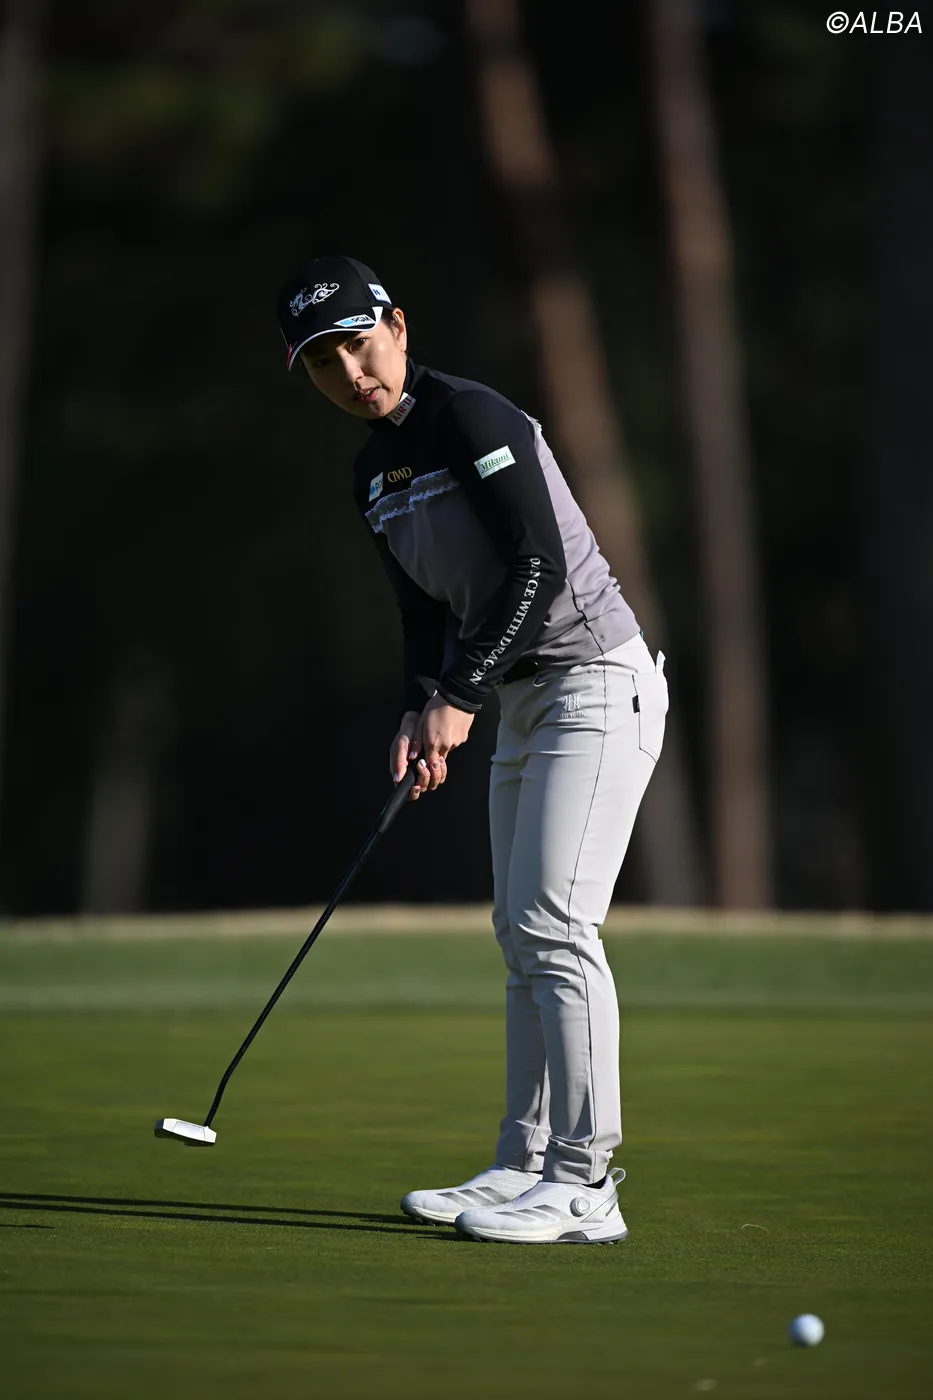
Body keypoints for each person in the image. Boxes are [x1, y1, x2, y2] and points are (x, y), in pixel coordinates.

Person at [276, 255, 668, 1245]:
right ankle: (521, 1163)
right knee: (519, 933)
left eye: (357, 344)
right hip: (524, 701)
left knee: (555, 927)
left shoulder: (472, 418)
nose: (350, 372)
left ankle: (585, 1182)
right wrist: (421, 707)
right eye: (322, 362)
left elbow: (536, 567)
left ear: (397, 326)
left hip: (597, 682)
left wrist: (458, 696)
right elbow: (423, 615)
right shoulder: (371, 473)